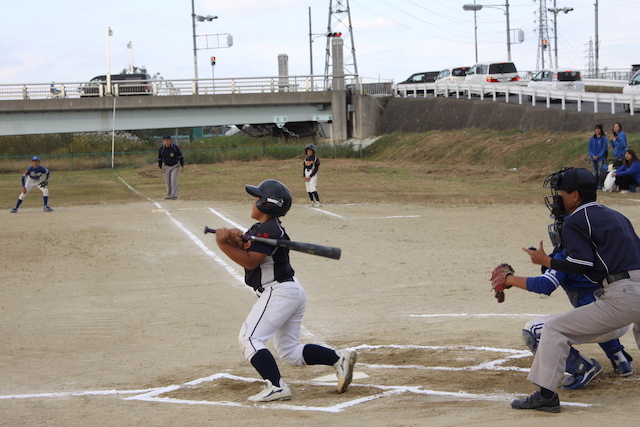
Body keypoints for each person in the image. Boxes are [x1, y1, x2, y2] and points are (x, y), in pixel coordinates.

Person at [213, 179, 356, 402]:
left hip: (278, 292)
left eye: (257, 198)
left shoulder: (268, 230)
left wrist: (223, 245)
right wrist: (234, 239)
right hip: (289, 290)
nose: (253, 201)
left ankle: (277, 387)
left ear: (267, 204)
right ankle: (338, 359)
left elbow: (251, 261)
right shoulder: (264, 228)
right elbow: (250, 248)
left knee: (249, 338)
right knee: (288, 351)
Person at [511, 167, 640, 413]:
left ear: (575, 195)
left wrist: (546, 261)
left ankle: (546, 395)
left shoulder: (575, 221)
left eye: (562, 192)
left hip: (622, 296)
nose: (558, 198)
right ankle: (619, 358)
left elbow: (581, 264)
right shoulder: (616, 215)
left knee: (554, 329)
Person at [500, 215, 633, 391]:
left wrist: (509, 280)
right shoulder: (602, 251)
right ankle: (619, 358)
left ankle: (583, 368)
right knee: (595, 308)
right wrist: (545, 260)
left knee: (532, 331)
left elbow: (544, 285)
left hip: (602, 322)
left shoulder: (567, 255)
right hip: (622, 318)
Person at [157, 135, 184, 200]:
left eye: (168, 140)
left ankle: (174, 195)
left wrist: (182, 165)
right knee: (168, 181)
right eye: (165, 140)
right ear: (163, 141)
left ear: (170, 140)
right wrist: (160, 167)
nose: (167, 142)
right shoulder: (161, 149)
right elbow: (160, 159)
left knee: (173, 179)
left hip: (175, 166)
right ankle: (169, 195)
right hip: (166, 166)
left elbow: (181, 156)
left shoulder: (175, 147)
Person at [588, 124, 607, 189]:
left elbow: (604, 149)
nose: (597, 130)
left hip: (600, 158)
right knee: (595, 173)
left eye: (598, 129)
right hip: (593, 158)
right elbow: (589, 148)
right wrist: (592, 155)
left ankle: (600, 184)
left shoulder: (603, 138)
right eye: (596, 129)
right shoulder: (592, 138)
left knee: (600, 172)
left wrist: (598, 155)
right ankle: (595, 184)